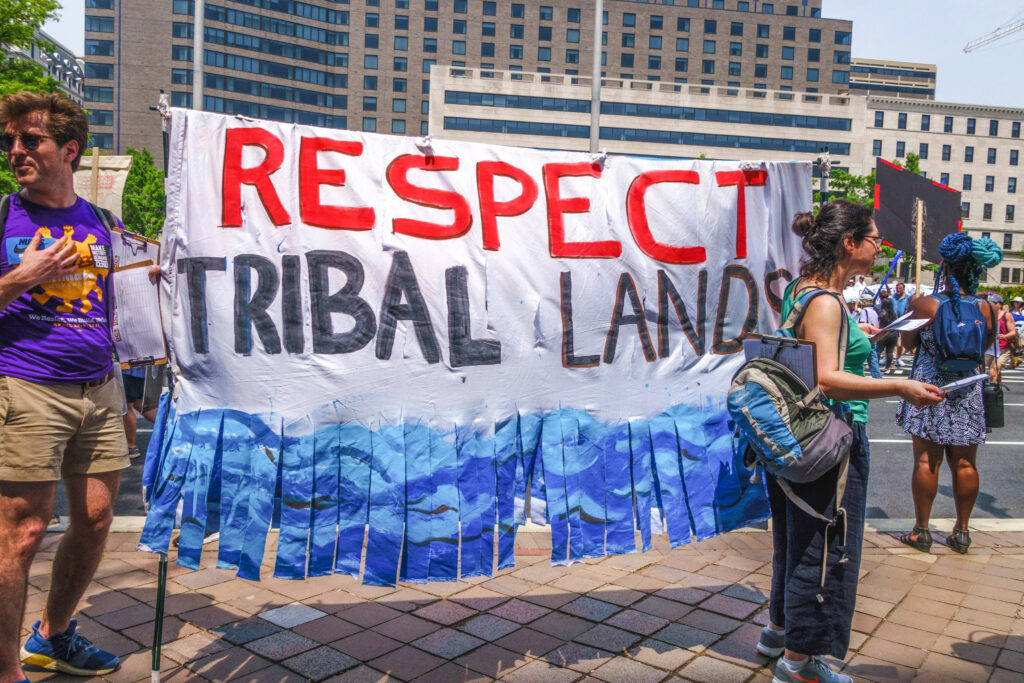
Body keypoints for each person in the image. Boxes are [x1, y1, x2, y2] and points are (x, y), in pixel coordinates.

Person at [758, 200, 943, 683]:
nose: (879, 246)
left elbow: (816, 348)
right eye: (874, 238)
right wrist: (900, 386)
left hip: (792, 434)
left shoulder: (803, 289)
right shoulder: (827, 302)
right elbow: (829, 378)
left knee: (795, 544)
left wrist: (853, 334)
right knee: (827, 551)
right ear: (849, 243)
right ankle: (800, 664)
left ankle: (778, 632)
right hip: (830, 437)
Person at [0, 92, 152, 681]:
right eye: (9, 142)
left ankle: (53, 635)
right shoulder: (5, 217)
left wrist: (131, 393)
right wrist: (22, 276)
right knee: (23, 533)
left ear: (69, 149)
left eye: (29, 140)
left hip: (101, 389)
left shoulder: (104, 224)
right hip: (25, 385)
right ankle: (8, 669)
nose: (16, 151)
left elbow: (125, 314)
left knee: (94, 520)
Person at [895, 233, 1003, 555]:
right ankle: (962, 532)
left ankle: (922, 531)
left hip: (929, 388)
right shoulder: (985, 307)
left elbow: (909, 345)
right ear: (974, 271)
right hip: (968, 390)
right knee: (966, 463)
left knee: (927, 460)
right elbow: (984, 348)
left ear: (945, 268)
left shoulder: (925, 304)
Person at [856, 292, 881, 378]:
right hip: (873, 336)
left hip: (865, 337)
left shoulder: (864, 311)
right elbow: (878, 323)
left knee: (859, 359)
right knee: (873, 360)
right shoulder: (874, 311)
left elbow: (863, 324)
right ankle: (878, 378)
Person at [875, 289, 899, 373]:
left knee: (878, 350)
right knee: (890, 351)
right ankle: (887, 366)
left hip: (884, 333)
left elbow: (878, 322)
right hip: (893, 333)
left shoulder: (881, 312)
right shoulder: (894, 313)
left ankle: (876, 365)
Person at [891, 281, 911, 368]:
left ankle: (898, 358)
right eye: (897, 288)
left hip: (903, 321)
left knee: (901, 341)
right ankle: (892, 357)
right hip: (893, 321)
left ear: (903, 289)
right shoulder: (893, 297)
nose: (898, 290)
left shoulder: (907, 298)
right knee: (892, 340)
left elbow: (908, 309)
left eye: (899, 288)